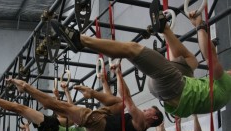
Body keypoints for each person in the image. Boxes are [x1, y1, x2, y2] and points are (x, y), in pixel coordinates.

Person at [49, 0, 231, 118]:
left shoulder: (225, 84)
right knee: (191, 61)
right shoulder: (221, 97)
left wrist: (200, 25)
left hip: (174, 87)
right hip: (171, 94)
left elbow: (211, 55)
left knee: (132, 49)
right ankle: (164, 28)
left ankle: (81, 40)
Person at [0, 62, 163, 131]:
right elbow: (117, 102)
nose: (145, 110)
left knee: (54, 105)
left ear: (153, 118)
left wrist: (119, 73)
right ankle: (91, 92)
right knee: (118, 104)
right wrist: (103, 83)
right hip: (100, 125)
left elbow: (129, 100)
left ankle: (24, 87)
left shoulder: (140, 124)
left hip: (99, 126)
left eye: (149, 111)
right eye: (147, 109)